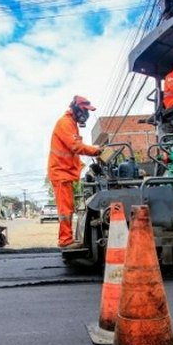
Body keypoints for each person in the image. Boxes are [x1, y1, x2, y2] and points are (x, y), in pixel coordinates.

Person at [47, 95, 102, 249]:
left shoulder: (71, 123)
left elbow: (74, 148)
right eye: (85, 110)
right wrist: (97, 151)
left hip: (64, 172)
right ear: (77, 108)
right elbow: (76, 147)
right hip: (60, 172)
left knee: (68, 207)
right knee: (65, 209)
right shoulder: (65, 123)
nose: (87, 115)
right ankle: (65, 240)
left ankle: (67, 239)